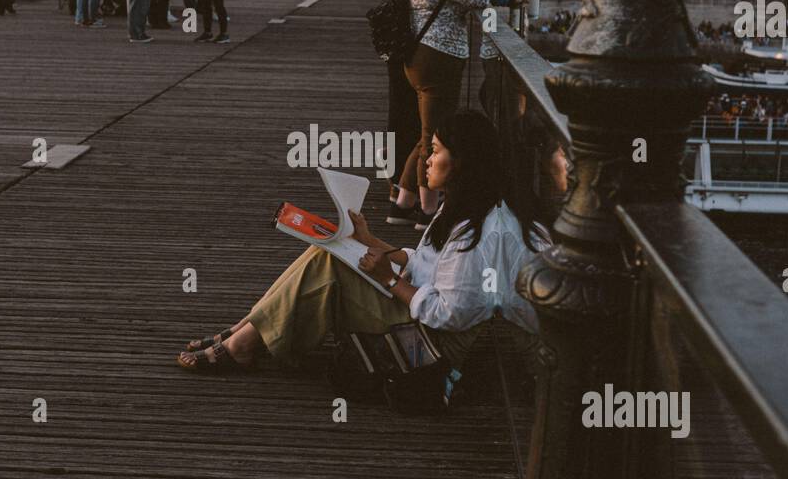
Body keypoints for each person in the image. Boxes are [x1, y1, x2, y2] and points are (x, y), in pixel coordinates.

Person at [176, 110, 540, 379]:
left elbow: (450, 314)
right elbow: (429, 265)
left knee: (328, 262)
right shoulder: (468, 206)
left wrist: (389, 279)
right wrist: (369, 241)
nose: (427, 160)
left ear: (462, 162)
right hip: (425, 315)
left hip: (435, 344)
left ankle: (242, 341)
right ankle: (247, 330)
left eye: (436, 151)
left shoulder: (479, 232)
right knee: (329, 248)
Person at [390, 0, 502, 228]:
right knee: (434, 136)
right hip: (437, 60)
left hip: (424, 59)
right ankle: (428, 213)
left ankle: (403, 203)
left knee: (426, 132)